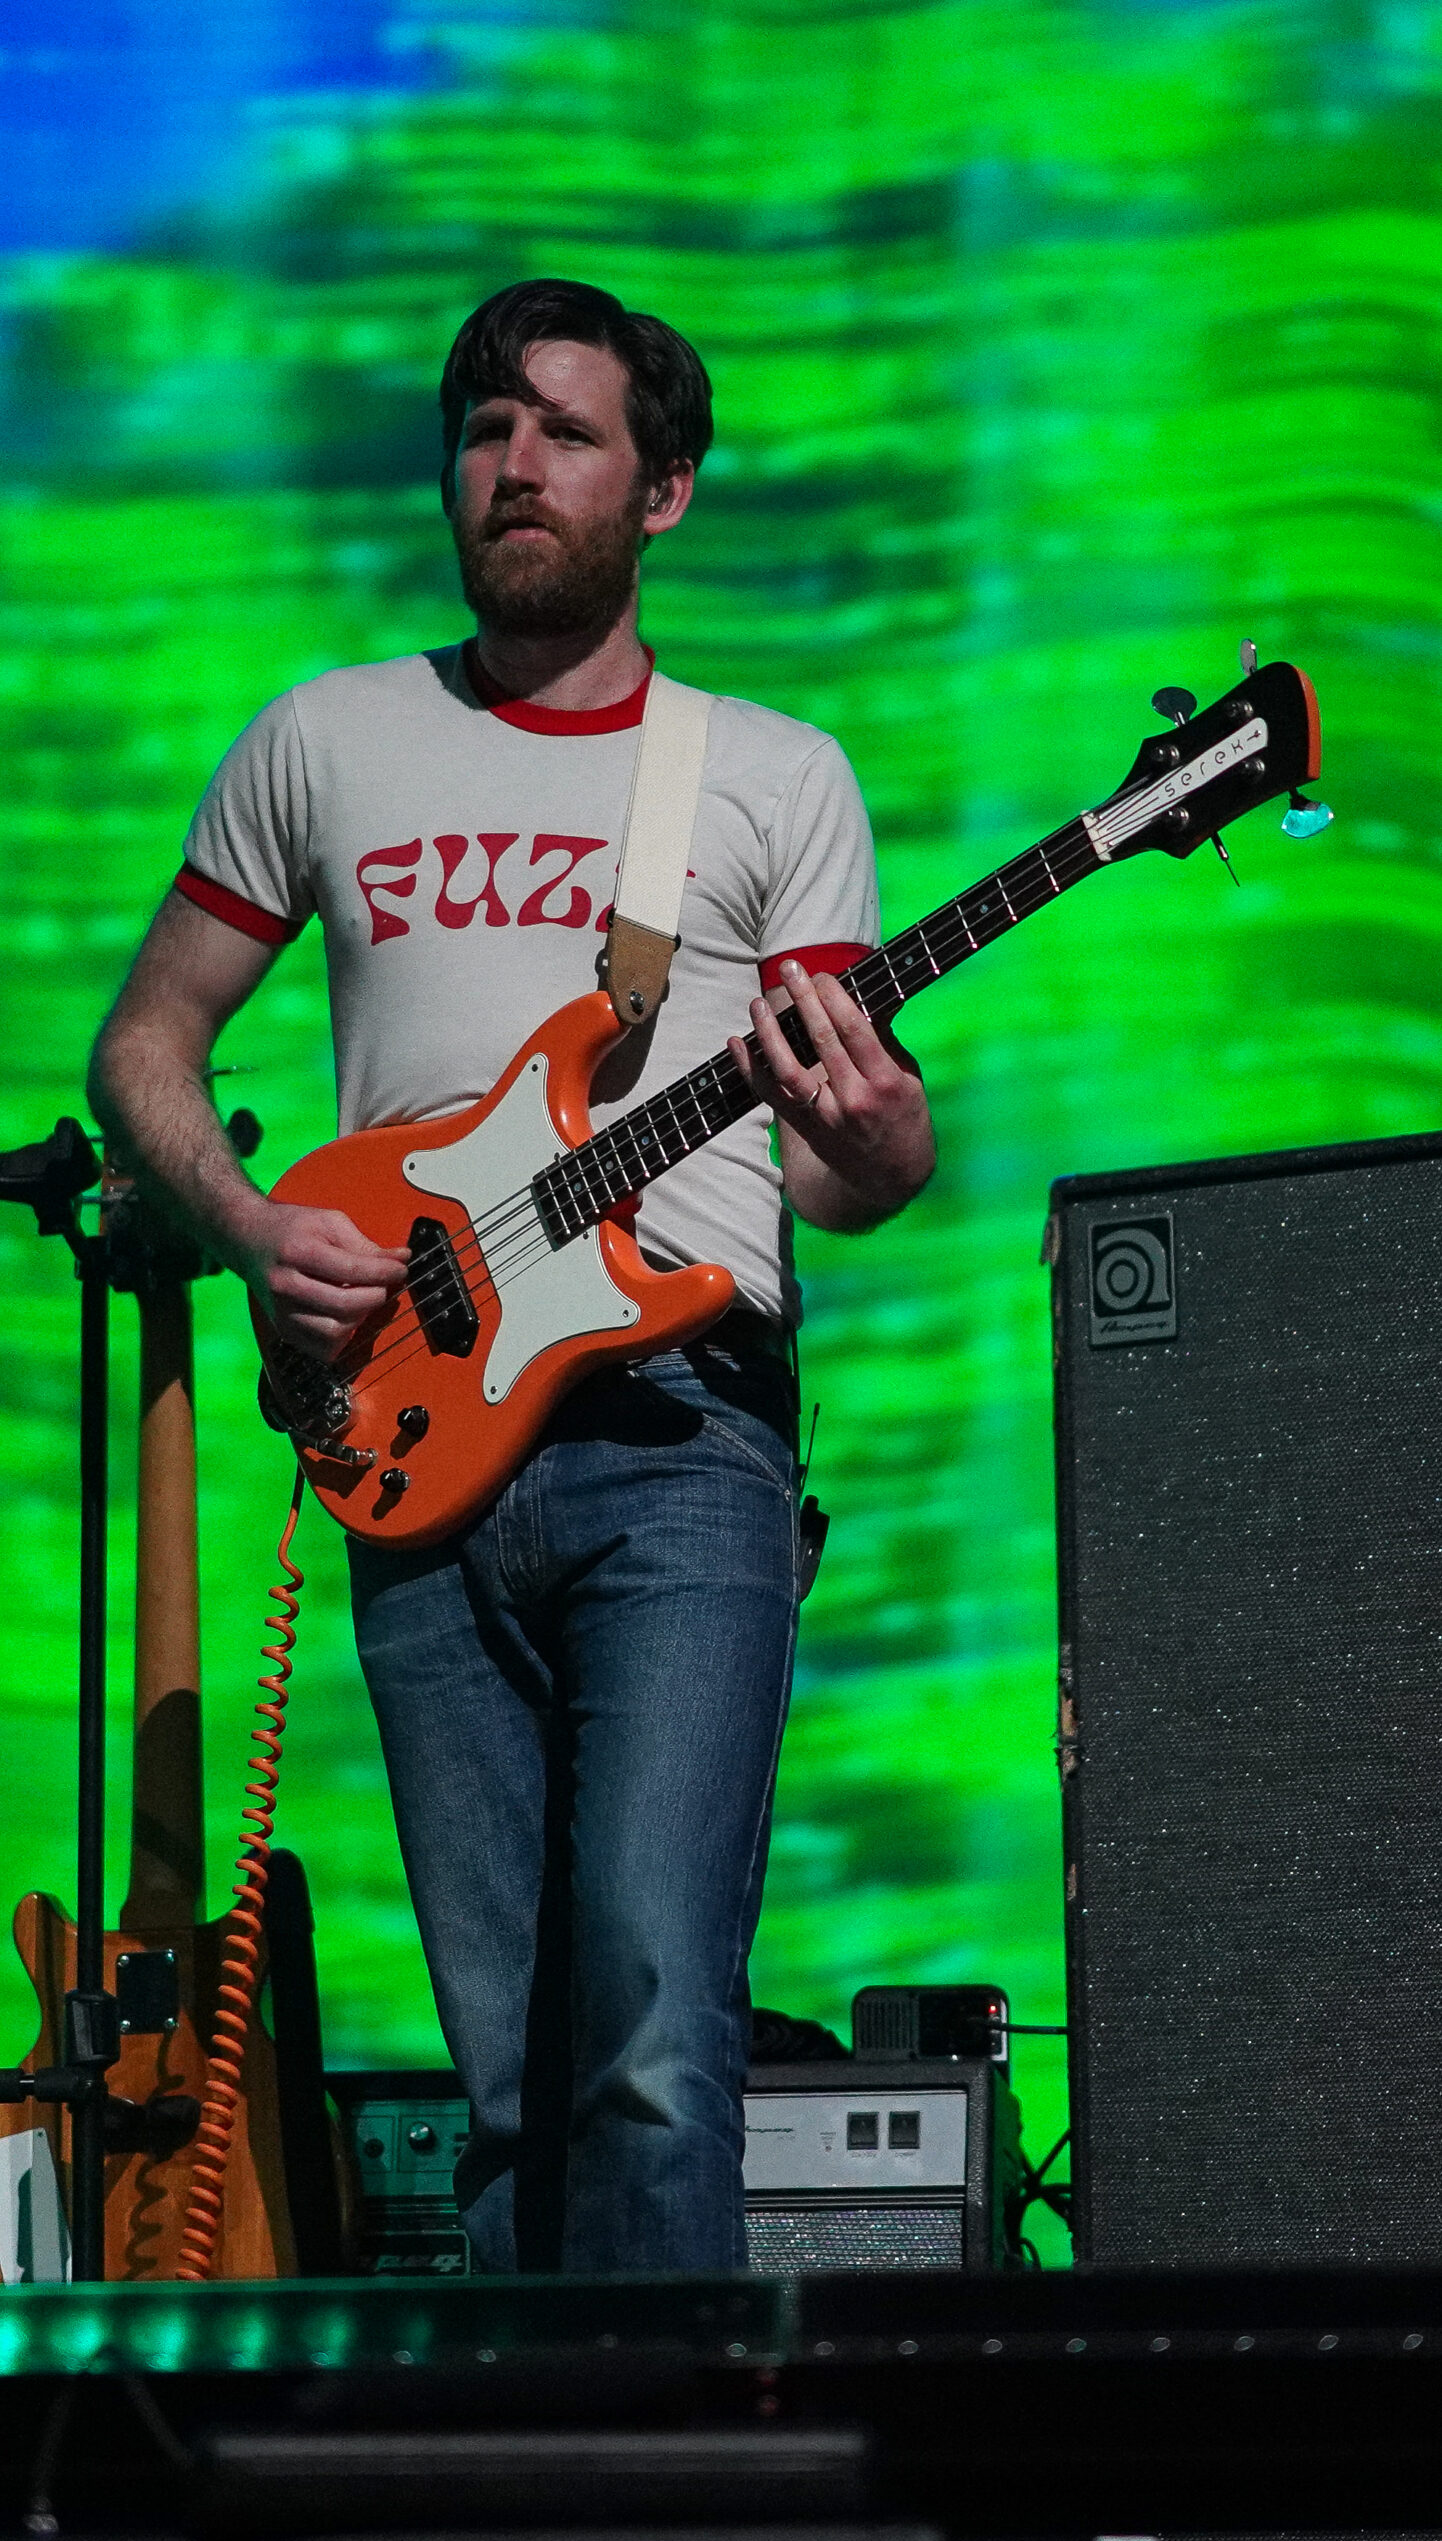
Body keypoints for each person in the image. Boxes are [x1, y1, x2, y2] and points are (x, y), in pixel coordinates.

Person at [88, 278, 935, 2273]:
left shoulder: (767, 775)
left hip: (680, 1437)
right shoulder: (323, 737)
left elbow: (843, 1180)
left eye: (565, 430)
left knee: (649, 2035)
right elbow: (143, 1046)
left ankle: (670, 2446)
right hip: (413, 1442)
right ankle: (536, 2438)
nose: (515, 466)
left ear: (665, 490)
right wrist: (251, 1224)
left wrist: (884, 1128)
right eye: (485, 431)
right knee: (505, 2085)